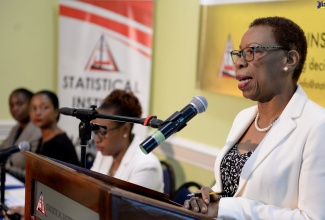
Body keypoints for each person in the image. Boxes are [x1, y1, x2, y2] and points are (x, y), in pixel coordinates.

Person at [184, 16, 325, 219]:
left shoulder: (317, 125)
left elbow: (313, 217)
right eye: (240, 53)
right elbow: (236, 188)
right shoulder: (244, 118)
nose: (240, 63)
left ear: (290, 59)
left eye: (253, 51)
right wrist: (211, 198)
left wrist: (227, 209)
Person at [91, 89, 164, 192]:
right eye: (95, 131)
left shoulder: (146, 166)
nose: (96, 140)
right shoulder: (104, 152)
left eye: (103, 132)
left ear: (125, 129)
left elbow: (125, 207)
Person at [0, 88, 41, 182]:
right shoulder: (15, 129)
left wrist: (6, 168)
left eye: (19, 104)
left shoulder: (38, 132)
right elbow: (3, 149)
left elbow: (34, 173)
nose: (14, 109)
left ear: (31, 105)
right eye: (11, 105)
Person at [30, 90, 80, 166]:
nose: (38, 113)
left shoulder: (60, 145)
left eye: (44, 107)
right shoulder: (43, 139)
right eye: (34, 108)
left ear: (56, 112)